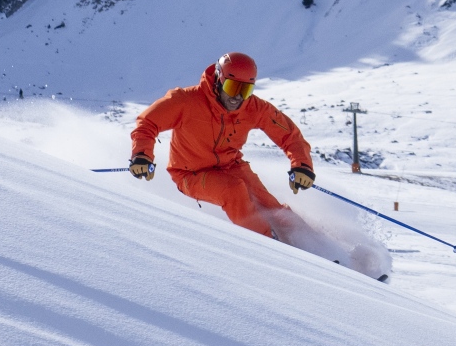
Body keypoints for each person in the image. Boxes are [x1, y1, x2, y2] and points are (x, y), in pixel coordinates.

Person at [129, 52, 317, 240]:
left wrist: (302, 166)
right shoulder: (186, 100)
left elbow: (289, 134)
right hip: (190, 174)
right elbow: (148, 122)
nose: (237, 97)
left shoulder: (253, 107)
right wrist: (142, 155)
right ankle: (271, 245)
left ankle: (319, 248)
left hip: (231, 166)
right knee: (233, 190)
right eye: (232, 87)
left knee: (271, 206)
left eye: (245, 90)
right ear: (219, 79)